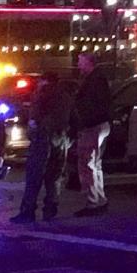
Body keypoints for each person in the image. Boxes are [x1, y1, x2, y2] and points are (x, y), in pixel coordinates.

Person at [14, 66, 73, 224]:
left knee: (34, 176)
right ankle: (50, 209)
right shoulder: (66, 96)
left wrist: (32, 132)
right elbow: (75, 118)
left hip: (42, 139)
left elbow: (34, 119)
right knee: (54, 177)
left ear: (43, 81)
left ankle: (28, 212)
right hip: (60, 139)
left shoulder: (42, 94)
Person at [69, 53, 115, 213]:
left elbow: (91, 106)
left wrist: (83, 122)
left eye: (80, 61)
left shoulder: (94, 80)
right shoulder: (97, 79)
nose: (78, 64)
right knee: (94, 164)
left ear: (89, 62)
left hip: (92, 126)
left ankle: (94, 202)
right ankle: (99, 199)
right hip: (98, 125)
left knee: (88, 164)